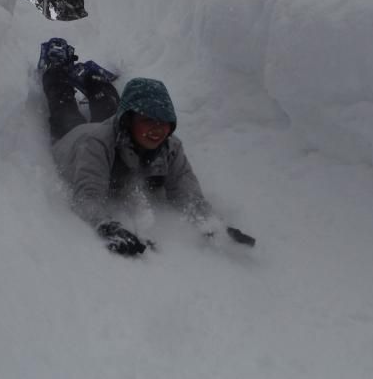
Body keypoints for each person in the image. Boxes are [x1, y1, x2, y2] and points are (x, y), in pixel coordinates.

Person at [38, 37, 255, 256]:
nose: (157, 129)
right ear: (130, 121)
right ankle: (55, 67)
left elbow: (186, 192)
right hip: (75, 138)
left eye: (163, 122)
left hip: (119, 131)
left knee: (109, 104)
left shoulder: (170, 146)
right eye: (148, 120)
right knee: (64, 108)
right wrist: (106, 225)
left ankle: (95, 78)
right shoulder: (97, 144)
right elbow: (87, 196)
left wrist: (212, 225)